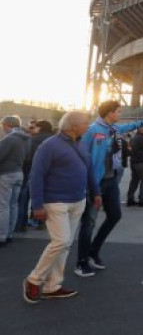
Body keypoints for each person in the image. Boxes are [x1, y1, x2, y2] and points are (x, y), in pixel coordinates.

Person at [23, 111, 99, 302]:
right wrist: (37, 205)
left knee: (65, 245)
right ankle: (34, 279)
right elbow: (36, 176)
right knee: (61, 241)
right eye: (85, 123)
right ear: (73, 125)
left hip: (78, 201)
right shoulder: (49, 146)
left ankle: (53, 286)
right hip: (55, 201)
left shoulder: (79, 144)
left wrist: (95, 192)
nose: (88, 126)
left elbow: (88, 170)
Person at [75, 101, 143, 277]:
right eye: (118, 111)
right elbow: (81, 156)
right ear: (109, 113)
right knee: (89, 222)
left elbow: (128, 126)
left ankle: (93, 251)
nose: (120, 114)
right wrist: (87, 184)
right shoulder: (92, 130)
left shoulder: (114, 129)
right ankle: (81, 262)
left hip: (111, 180)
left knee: (115, 216)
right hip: (95, 182)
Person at [0, 115, 31, 246]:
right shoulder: (26, 138)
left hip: (6, 174)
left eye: (3, 126)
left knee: (3, 207)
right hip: (19, 173)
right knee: (13, 204)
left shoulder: (9, 139)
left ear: (7, 125)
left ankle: (1, 236)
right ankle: (10, 233)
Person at [127, 126, 143, 207]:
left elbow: (129, 149)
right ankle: (142, 199)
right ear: (141, 130)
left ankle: (130, 199)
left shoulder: (133, 138)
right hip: (142, 162)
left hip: (133, 161)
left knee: (134, 181)